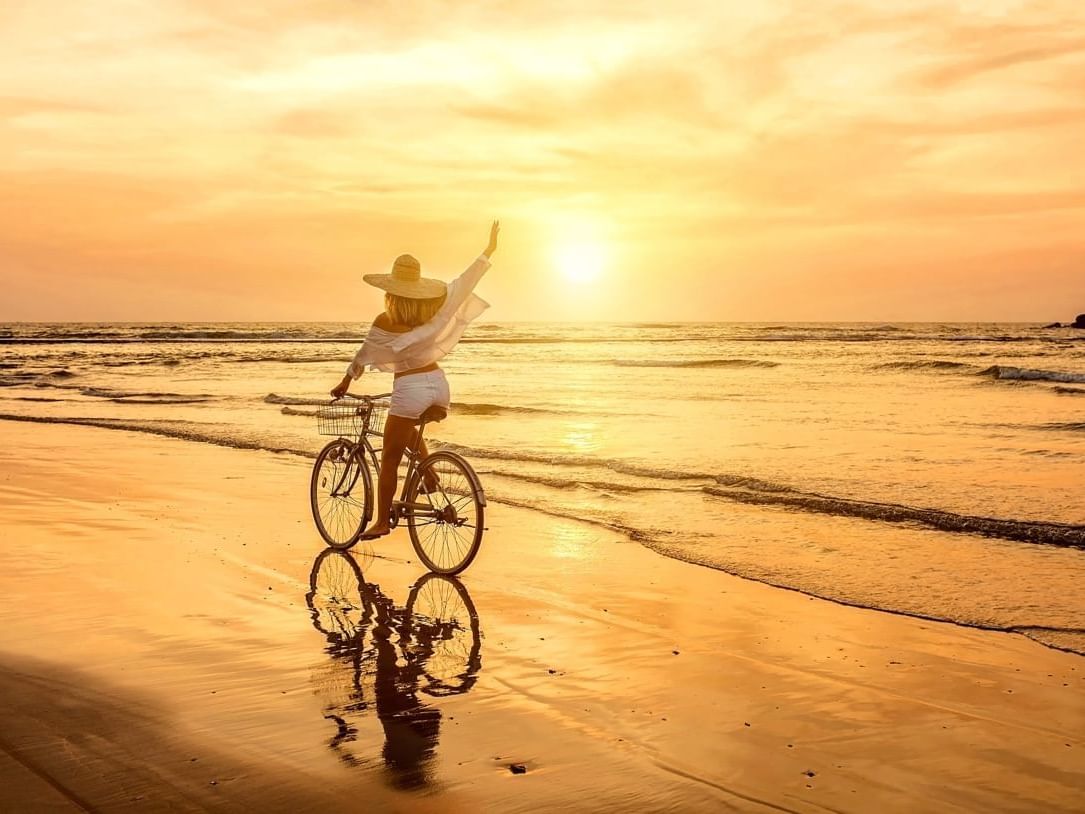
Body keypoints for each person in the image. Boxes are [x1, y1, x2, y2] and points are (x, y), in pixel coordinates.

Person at [330, 220, 499, 540]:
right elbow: (464, 282)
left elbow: (363, 356)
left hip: (410, 388)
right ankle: (431, 476)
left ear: (389, 292)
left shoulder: (386, 319)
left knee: (390, 458)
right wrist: (487, 251)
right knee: (406, 431)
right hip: (439, 385)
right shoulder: (436, 308)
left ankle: (381, 522)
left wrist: (345, 383)